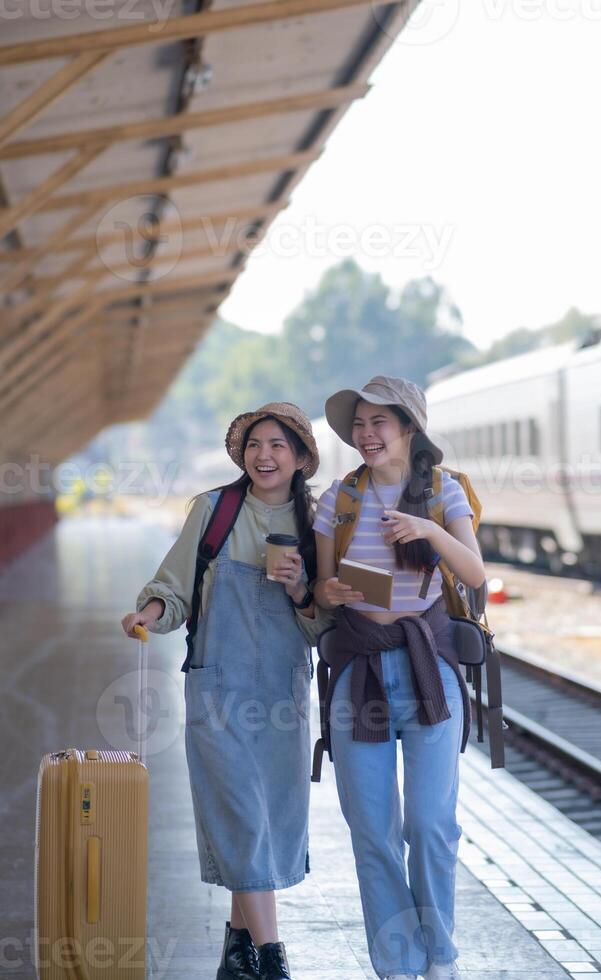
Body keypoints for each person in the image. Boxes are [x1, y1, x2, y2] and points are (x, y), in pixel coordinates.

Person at [121, 403, 331, 980]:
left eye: (278, 446)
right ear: (242, 453)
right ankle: (272, 957)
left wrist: (299, 591)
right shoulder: (213, 510)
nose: (264, 455)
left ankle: (237, 948)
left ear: (300, 458)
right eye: (255, 444)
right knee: (240, 813)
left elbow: (325, 626)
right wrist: (151, 612)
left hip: (284, 693)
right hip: (217, 687)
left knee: (267, 819)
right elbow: (175, 586)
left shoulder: (321, 525)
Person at [312, 376, 486, 980]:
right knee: (372, 830)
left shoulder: (444, 491)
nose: (365, 435)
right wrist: (326, 588)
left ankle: (440, 955)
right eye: (357, 425)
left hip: (427, 667)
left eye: (377, 423)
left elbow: (474, 570)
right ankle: (397, 963)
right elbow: (324, 588)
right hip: (359, 671)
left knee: (431, 824)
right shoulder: (339, 497)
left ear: (408, 427)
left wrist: (430, 531)